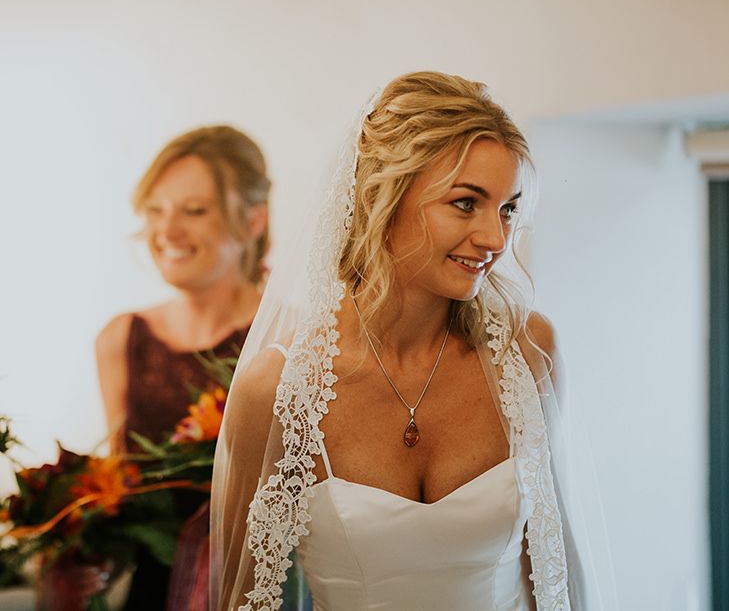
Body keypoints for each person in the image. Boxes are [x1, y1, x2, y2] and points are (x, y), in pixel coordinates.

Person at [210, 72, 617, 611]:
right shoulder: (278, 391)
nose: (496, 239)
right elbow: (244, 600)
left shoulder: (525, 351)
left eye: (508, 208)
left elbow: (551, 564)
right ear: (385, 196)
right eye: (466, 203)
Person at [94, 125, 271, 610]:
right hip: (153, 595)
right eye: (156, 210)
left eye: (194, 211)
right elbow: (121, 491)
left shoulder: (290, 339)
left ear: (253, 221)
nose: (167, 232)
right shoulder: (120, 340)